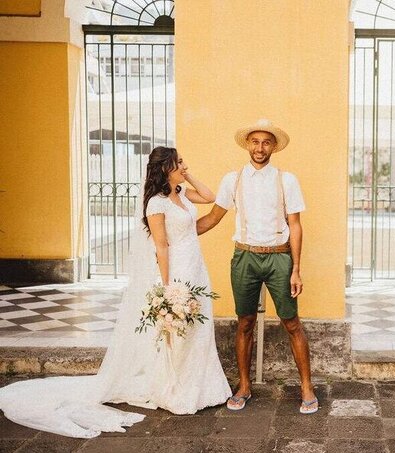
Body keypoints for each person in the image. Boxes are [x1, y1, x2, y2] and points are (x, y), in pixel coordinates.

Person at [0, 147, 231, 438]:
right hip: (177, 271)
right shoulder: (157, 204)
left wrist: (188, 175)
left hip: (197, 267)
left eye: (184, 161)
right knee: (177, 331)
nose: (184, 165)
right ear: (165, 168)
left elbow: (209, 196)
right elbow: (161, 247)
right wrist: (167, 286)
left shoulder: (181, 193)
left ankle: (204, 385)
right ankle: (178, 388)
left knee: (199, 326)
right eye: (179, 162)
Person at [196, 119, 317, 414]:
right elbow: (213, 218)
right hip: (245, 257)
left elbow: (296, 225)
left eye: (265, 142)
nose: (259, 147)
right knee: (245, 323)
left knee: (291, 322)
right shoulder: (232, 179)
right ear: (247, 145)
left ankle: (306, 387)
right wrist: (174, 234)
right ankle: (244, 386)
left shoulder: (286, 179)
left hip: (279, 257)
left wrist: (296, 268)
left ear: (273, 146)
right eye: (254, 142)